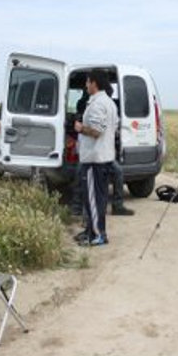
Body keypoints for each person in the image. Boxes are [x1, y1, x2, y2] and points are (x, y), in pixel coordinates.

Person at [73, 69, 118, 246]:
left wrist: (80, 128)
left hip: (94, 159)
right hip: (103, 157)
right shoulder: (109, 103)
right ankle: (91, 231)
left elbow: (97, 131)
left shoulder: (98, 104)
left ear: (94, 83)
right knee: (97, 197)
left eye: (87, 82)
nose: (85, 85)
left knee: (93, 198)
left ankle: (97, 235)